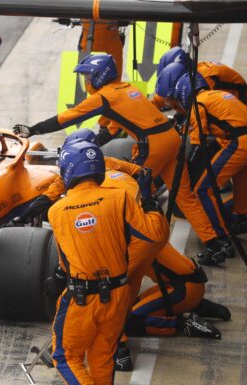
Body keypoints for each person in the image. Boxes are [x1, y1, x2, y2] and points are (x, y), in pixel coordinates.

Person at [13, 53, 232, 264]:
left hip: (153, 144)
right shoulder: (126, 89)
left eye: (88, 77)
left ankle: (131, 244)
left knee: (128, 190)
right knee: (185, 196)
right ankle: (216, 242)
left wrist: (33, 129)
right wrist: (90, 145)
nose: (86, 81)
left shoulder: (104, 96)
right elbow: (113, 129)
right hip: (171, 139)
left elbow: (69, 117)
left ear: (99, 76)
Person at [48, 139, 168, 384]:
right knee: (103, 356)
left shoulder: (57, 211)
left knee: (65, 357)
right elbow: (155, 234)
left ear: (68, 170)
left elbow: (65, 263)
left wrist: (58, 281)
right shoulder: (120, 199)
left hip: (82, 298)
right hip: (117, 296)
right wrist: (148, 199)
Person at [174, 72, 247, 264]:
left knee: (203, 189)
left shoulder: (198, 104)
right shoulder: (216, 94)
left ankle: (221, 241)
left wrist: (187, 167)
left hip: (240, 143)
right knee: (240, 185)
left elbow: (198, 142)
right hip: (242, 140)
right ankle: (241, 217)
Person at [154, 47, 246, 107]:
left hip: (241, 103)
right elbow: (161, 98)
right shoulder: (189, 74)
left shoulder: (204, 78)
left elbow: (203, 108)